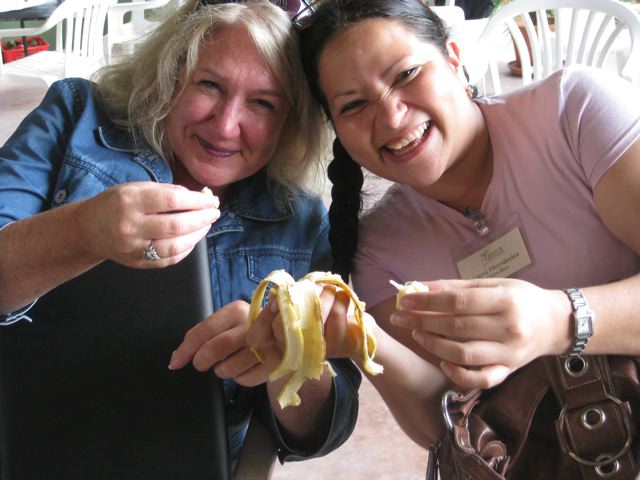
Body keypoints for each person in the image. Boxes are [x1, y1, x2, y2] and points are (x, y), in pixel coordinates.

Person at [0, 0, 360, 472]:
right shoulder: (77, 117)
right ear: (170, 77)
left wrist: (289, 358)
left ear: (289, 123)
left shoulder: (302, 223)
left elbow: (321, 430)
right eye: (209, 85)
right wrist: (83, 230)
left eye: (263, 103)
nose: (226, 125)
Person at [287, 0, 640, 475]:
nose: (391, 117)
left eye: (406, 74)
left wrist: (559, 320)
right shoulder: (378, 253)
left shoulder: (572, 110)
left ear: (454, 59)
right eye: (353, 105)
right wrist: (365, 340)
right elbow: (441, 423)